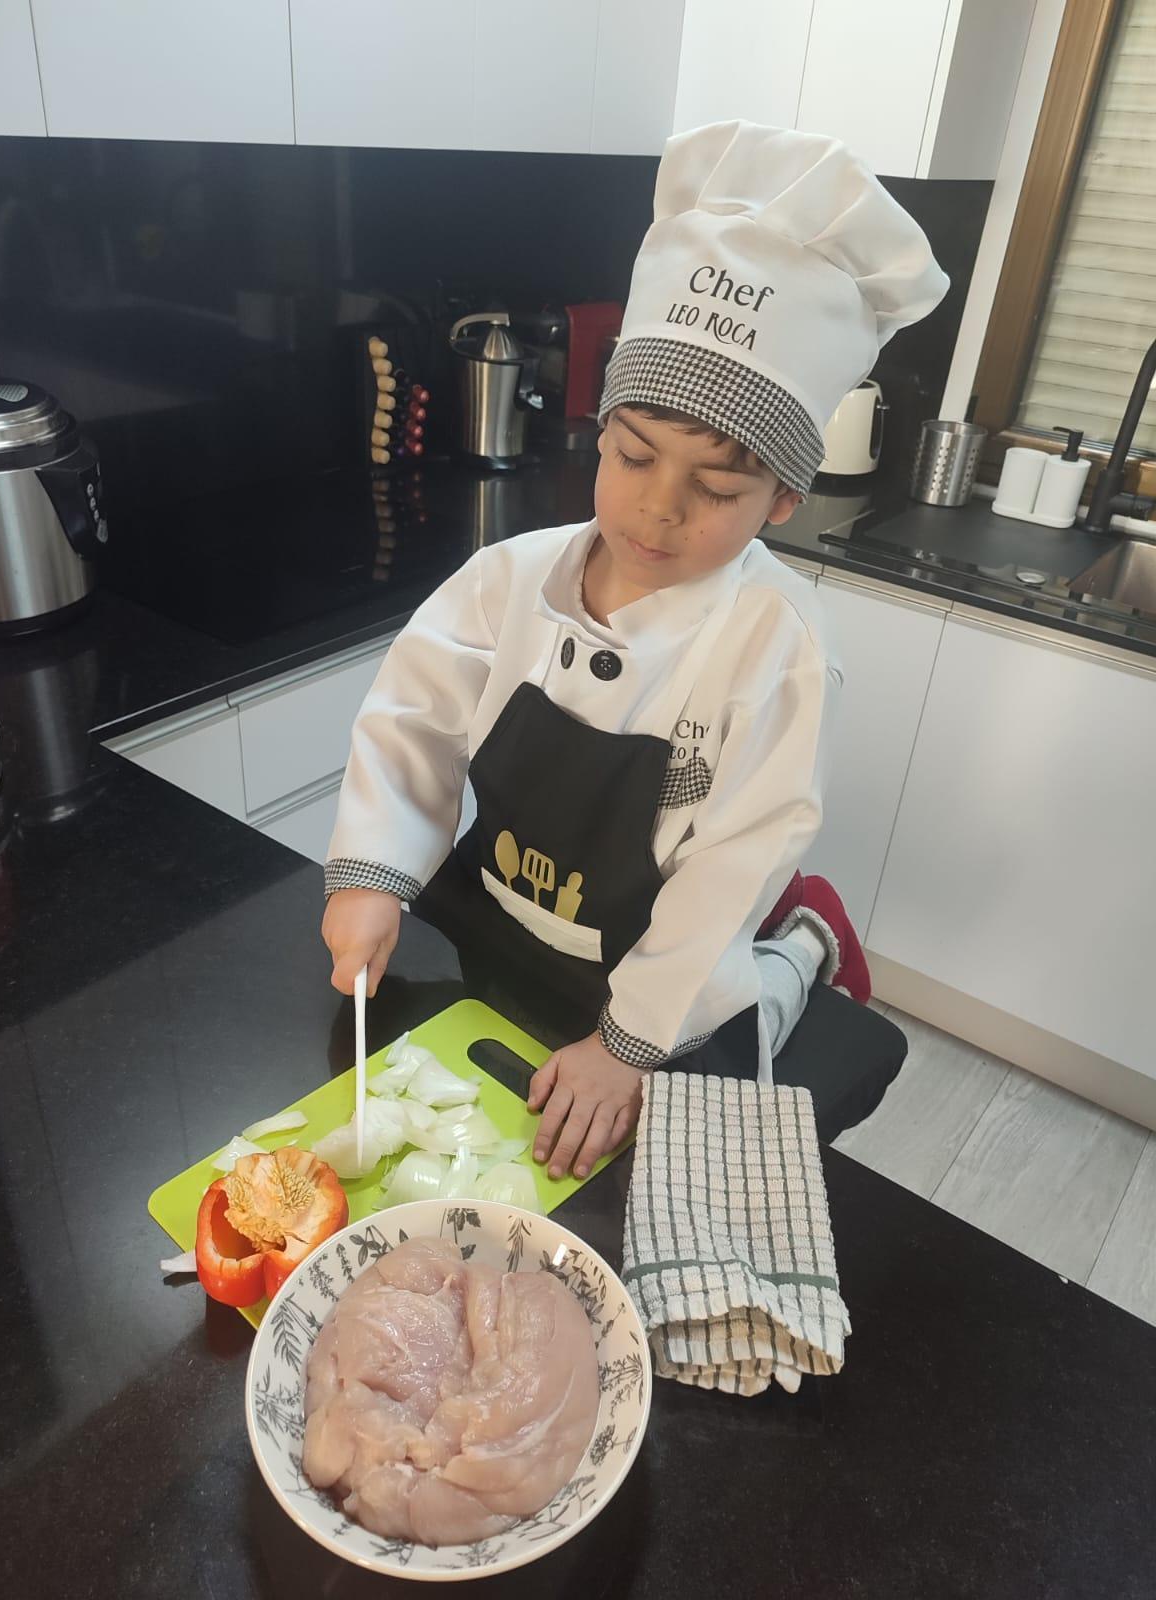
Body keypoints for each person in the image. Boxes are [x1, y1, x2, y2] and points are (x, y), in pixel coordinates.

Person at [322, 121, 948, 1181]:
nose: (659, 509)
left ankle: (803, 948)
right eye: (632, 455)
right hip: (511, 912)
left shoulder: (778, 646)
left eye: (717, 487)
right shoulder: (510, 579)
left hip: (674, 962)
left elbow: (735, 857)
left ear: (783, 498)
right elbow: (412, 724)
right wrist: (372, 874)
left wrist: (627, 1046)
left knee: (716, 1093)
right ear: (601, 433)